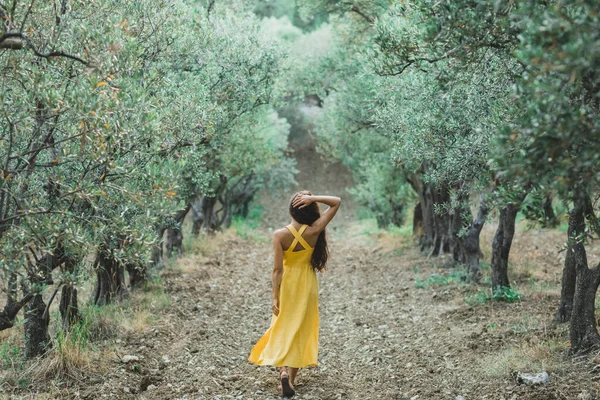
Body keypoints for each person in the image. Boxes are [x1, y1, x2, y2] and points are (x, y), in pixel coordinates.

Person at [248, 191, 342, 398]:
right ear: (310, 210)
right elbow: (336, 202)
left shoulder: (280, 235)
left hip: (288, 285)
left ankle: (282, 371)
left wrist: (274, 295)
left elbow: (277, 270)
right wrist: (314, 198)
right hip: (307, 285)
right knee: (300, 329)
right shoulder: (315, 230)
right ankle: (290, 380)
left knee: (281, 327)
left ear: (290, 209)